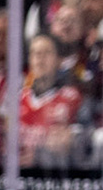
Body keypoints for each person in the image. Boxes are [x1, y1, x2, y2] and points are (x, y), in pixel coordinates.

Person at [19, 35, 88, 167]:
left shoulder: (72, 98)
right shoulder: (17, 99)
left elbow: (86, 135)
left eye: (46, 53)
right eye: (35, 53)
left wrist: (73, 137)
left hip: (54, 177)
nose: (40, 58)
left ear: (59, 60)